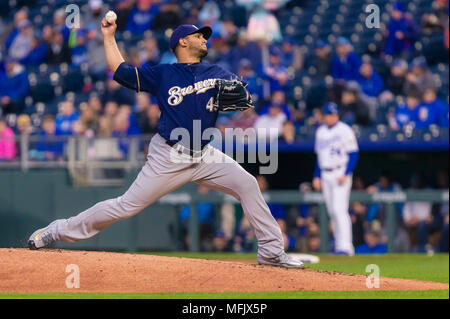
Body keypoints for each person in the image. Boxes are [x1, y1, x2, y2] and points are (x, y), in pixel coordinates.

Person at [27, 22, 303, 269]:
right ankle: (58, 230)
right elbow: (121, 71)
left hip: (205, 154)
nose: (205, 39)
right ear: (182, 42)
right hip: (169, 156)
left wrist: (244, 96)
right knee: (124, 207)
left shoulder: (216, 70)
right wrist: (109, 37)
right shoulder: (163, 74)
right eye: (199, 35)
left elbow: (243, 96)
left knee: (248, 184)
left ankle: (270, 251)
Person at [312, 102, 359, 255]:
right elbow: (319, 156)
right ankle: (339, 245)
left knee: (340, 209)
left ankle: (346, 246)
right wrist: (316, 176)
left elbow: (353, 153)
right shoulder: (320, 132)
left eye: (334, 114)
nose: (332, 117)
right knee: (332, 211)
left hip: (340, 172)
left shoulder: (345, 130)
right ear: (324, 116)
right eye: (329, 114)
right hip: (326, 174)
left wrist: (346, 173)